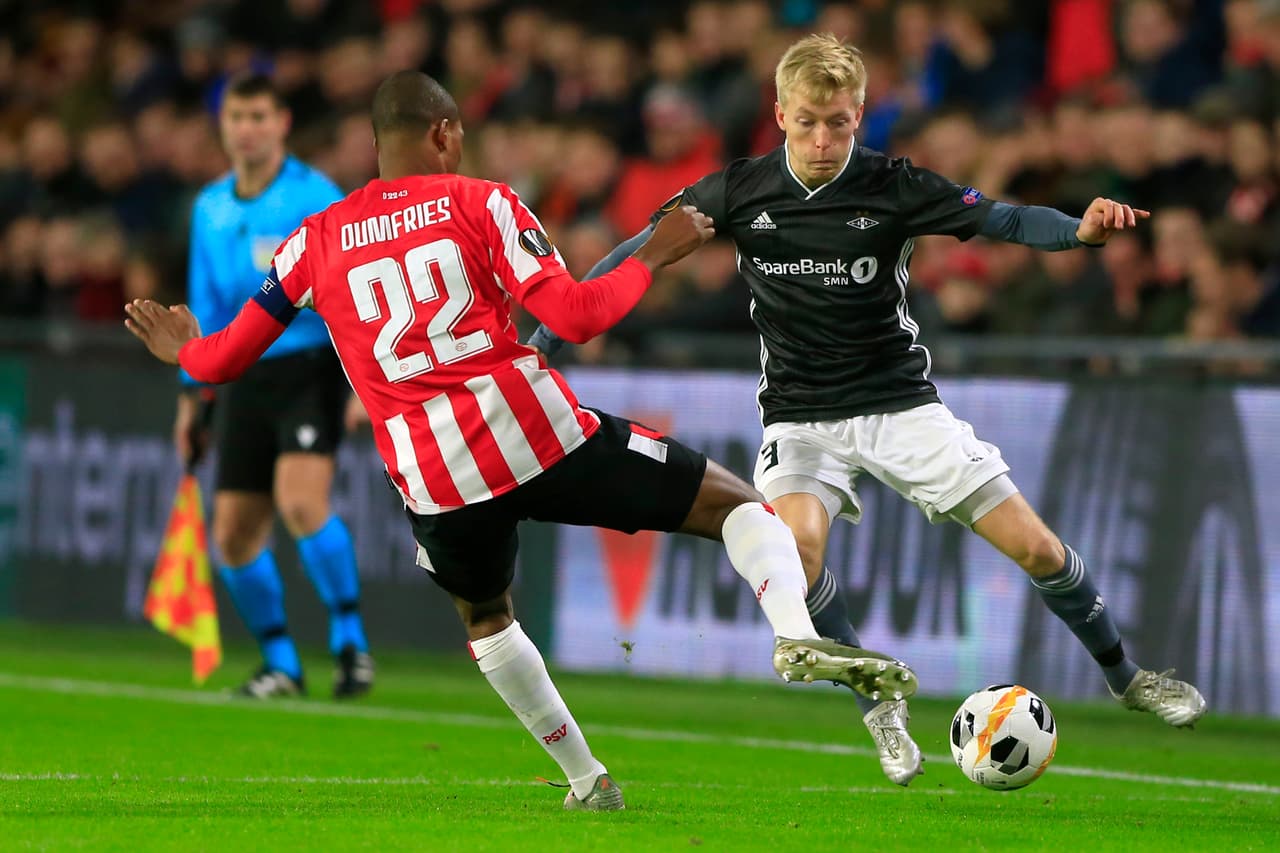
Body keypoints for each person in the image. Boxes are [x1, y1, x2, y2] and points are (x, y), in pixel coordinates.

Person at [125, 70, 917, 812]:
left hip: (434, 478)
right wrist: (652, 254)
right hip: (534, 435)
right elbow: (575, 316)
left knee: (487, 616)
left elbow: (223, 358)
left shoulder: (313, 239)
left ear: (376, 144)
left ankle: (586, 777)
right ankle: (793, 635)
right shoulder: (484, 202)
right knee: (735, 503)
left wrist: (179, 351)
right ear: (445, 133)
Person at [529, 33, 1208, 787]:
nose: (823, 141)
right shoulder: (737, 189)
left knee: (1039, 551)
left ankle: (1128, 678)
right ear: (780, 113)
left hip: (899, 404)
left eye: (840, 124)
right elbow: (633, 252)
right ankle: (879, 710)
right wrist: (542, 340)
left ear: (861, 116)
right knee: (797, 555)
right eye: (808, 122)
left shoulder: (894, 184)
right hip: (800, 415)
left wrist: (1077, 230)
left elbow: (1005, 220)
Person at [179, 71, 374, 699]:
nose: (247, 129)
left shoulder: (313, 196)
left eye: (259, 116)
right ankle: (282, 663)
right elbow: (205, 306)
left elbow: (349, 295)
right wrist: (193, 397)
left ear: (283, 123)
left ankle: (350, 642)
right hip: (241, 373)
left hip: (310, 367)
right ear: (223, 125)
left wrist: (357, 383)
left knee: (300, 502)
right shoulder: (209, 207)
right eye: (237, 117)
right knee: (232, 533)